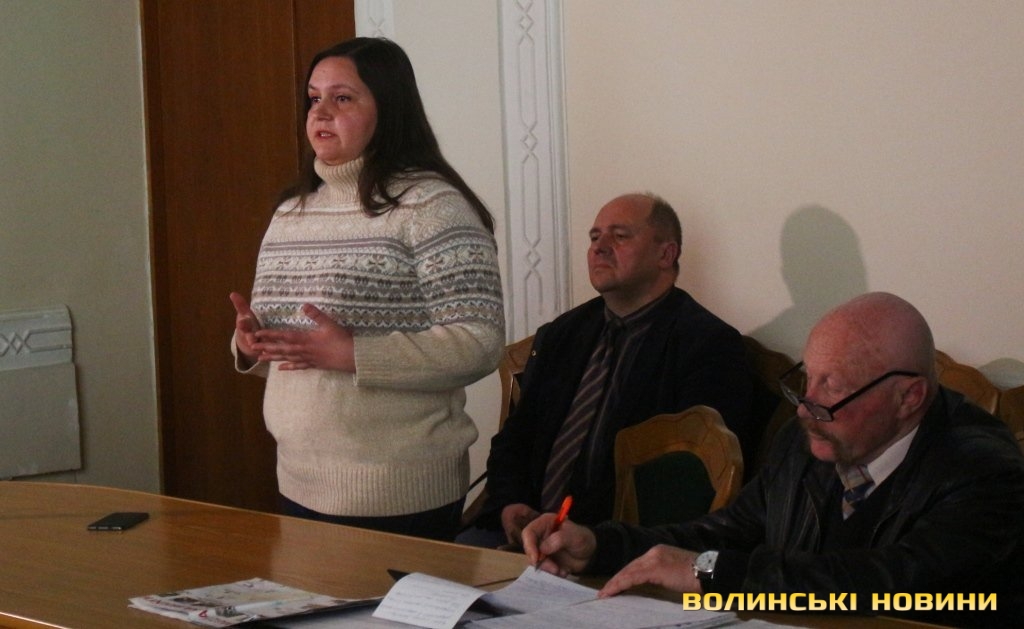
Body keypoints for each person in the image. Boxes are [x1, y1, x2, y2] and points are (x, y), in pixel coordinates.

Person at [523, 292, 1024, 627]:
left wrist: (711, 573)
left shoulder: (984, 471)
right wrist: (601, 545)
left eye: (833, 388)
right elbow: (725, 533)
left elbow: (891, 584)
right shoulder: (808, 438)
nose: (806, 407)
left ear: (909, 397)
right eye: (808, 379)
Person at [228, 37, 505, 542]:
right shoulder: (291, 212)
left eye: (343, 98)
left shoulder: (432, 207)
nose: (321, 113)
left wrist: (354, 353)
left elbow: (479, 342)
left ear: (389, 109)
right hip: (297, 478)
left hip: (397, 488)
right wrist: (252, 343)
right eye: (314, 98)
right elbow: (294, 346)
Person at [462, 193, 757, 547]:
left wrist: (593, 540)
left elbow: (689, 479)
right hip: (524, 532)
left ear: (666, 254)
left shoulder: (706, 344)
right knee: (435, 569)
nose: (599, 248)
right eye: (594, 237)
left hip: (621, 546)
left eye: (619, 236)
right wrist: (511, 504)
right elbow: (518, 435)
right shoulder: (563, 333)